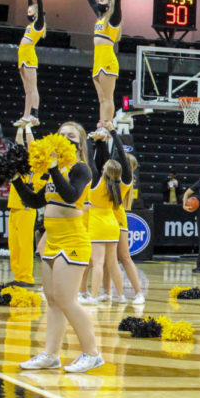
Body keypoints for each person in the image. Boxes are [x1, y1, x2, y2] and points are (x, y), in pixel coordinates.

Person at [12, 121, 104, 374]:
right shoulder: (57, 170)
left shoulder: (81, 169)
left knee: (66, 300)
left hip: (72, 240)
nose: (64, 138)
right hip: (51, 240)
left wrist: (53, 169)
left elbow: (72, 195)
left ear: (80, 142)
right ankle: (51, 354)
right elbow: (33, 200)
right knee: (52, 301)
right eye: (61, 134)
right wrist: (16, 181)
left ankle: (92, 353)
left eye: (71, 135)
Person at [80, 123, 126, 305]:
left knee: (97, 263)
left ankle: (92, 297)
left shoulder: (96, 183)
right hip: (112, 226)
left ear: (105, 171)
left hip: (98, 226)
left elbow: (91, 161)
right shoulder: (117, 185)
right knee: (113, 263)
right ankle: (120, 295)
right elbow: (103, 162)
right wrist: (102, 143)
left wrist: (92, 141)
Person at [83, 0, 123, 129]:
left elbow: (118, 3)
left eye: (102, 1)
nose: (98, 3)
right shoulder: (100, 18)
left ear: (109, 4)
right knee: (101, 99)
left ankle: (107, 125)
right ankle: (101, 125)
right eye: (98, 0)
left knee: (108, 97)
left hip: (107, 60)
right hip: (97, 60)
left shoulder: (113, 20)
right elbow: (91, 3)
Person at [113, 152, 145, 304]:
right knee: (108, 260)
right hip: (107, 217)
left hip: (116, 218)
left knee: (124, 257)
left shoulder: (124, 180)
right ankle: (107, 293)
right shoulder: (118, 178)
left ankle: (138, 292)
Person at [6, 126, 37, 288]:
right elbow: (18, 146)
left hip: (27, 207)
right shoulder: (18, 163)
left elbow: (32, 146)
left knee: (24, 245)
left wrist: (28, 128)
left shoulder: (35, 164)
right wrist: (19, 129)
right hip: (14, 206)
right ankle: (18, 276)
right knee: (14, 245)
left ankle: (26, 277)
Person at [14, 0, 45, 127]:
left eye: (31, 11)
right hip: (22, 56)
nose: (28, 13)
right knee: (28, 88)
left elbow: (39, 6)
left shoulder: (39, 25)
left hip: (29, 56)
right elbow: (31, 6)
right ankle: (30, 114)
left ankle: (28, 115)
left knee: (31, 89)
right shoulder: (31, 24)